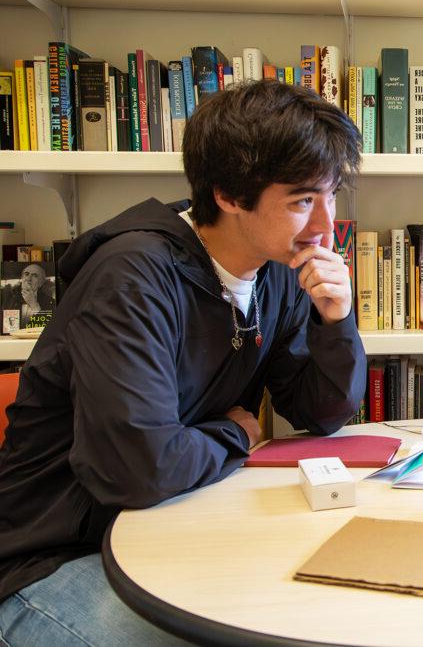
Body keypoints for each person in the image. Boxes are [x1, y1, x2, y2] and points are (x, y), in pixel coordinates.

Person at [0, 79, 366, 646]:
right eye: (301, 200)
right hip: (49, 562)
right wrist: (235, 433)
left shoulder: (278, 271)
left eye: (331, 194)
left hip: (167, 529)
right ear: (227, 193)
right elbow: (138, 470)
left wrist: (335, 320)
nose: (325, 226)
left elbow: (319, 412)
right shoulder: (132, 277)